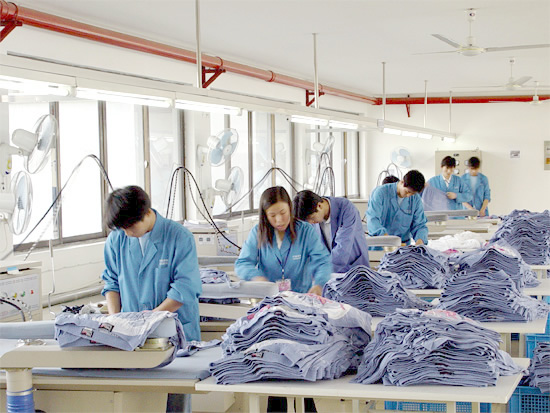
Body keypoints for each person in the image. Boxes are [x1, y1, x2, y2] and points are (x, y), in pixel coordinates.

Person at [101, 185, 202, 342]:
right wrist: (115, 321)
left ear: (147, 213)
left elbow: (185, 287)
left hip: (174, 330)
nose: (127, 233)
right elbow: (112, 283)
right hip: (131, 332)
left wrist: (150, 320)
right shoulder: (116, 239)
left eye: (131, 227)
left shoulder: (180, 237)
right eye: (123, 228)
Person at [235, 186, 332, 295]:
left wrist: (319, 284)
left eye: (283, 213)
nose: (279, 220)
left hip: (301, 296)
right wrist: (256, 277)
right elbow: (243, 263)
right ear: (265, 215)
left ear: (290, 209)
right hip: (269, 297)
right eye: (272, 215)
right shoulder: (258, 232)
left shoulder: (305, 231)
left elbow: (322, 261)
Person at [293, 190, 370, 273]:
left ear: (319, 206)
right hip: (330, 271)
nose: (311, 223)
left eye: (311, 218)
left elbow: (342, 248)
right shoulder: (313, 215)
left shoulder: (346, 208)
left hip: (353, 267)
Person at [366, 170, 428, 245]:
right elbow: (373, 219)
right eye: (407, 192)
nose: (409, 195)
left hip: (403, 246)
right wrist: (387, 239)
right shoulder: (380, 193)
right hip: (379, 244)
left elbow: (419, 225)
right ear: (402, 182)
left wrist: (420, 242)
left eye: (412, 193)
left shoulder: (416, 199)